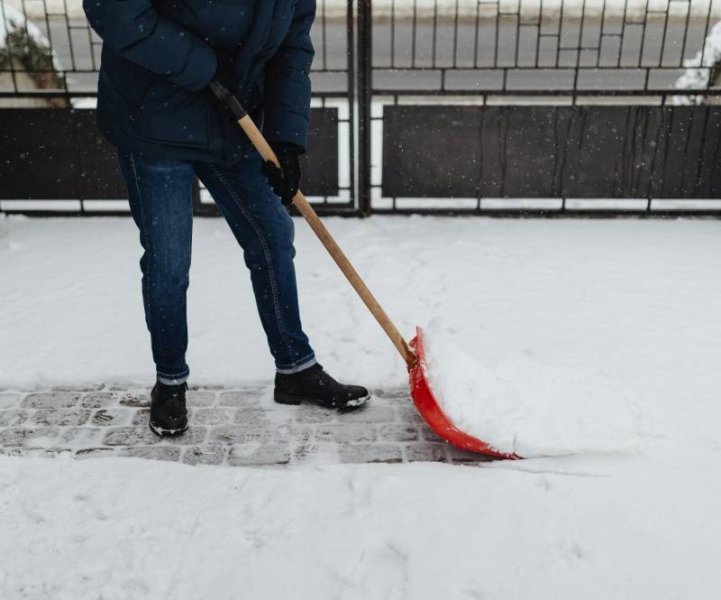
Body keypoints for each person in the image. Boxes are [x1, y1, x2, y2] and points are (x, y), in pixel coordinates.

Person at [83, 0, 369, 437]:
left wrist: (285, 138)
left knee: (272, 237)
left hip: (232, 119)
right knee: (169, 262)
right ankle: (170, 382)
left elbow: (292, 48)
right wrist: (201, 66)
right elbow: (118, 12)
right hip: (156, 119)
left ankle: (294, 367)